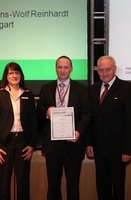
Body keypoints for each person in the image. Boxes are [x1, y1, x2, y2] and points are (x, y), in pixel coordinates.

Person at [37, 55, 91, 200]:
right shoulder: (46, 88)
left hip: (73, 143)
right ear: (56, 68)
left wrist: (78, 131)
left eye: (66, 67)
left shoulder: (82, 89)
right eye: (59, 67)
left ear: (71, 69)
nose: (62, 70)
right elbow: (38, 110)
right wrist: (47, 111)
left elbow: (86, 114)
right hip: (52, 144)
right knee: (53, 185)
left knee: (73, 185)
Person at [85, 55, 131, 200]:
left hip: (118, 149)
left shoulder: (127, 88)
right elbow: (90, 118)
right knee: (102, 185)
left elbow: (130, 121)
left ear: (115, 69)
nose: (104, 73)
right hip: (98, 148)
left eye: (108, 69)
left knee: (118, 186)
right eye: (100, 70)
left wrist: (128, 149)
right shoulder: (93, 89)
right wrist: (89, 142)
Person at [0, 62, 37, 200]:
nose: (14, 75)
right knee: (3, 184)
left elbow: (34, 121)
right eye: (11, 73)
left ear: (21, 75)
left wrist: (31, 145)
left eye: (17, 72)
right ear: (6, 76)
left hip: (23, 142)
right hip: (4, 143)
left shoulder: (28, 94)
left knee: (23, 182)